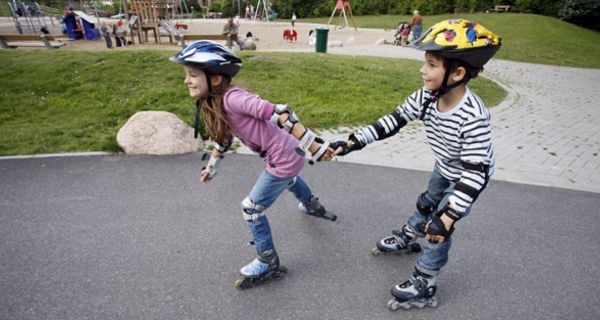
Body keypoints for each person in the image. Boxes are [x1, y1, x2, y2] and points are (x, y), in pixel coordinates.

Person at [330, 19, 501, 310]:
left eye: (432, 64)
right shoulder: (427, 97)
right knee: (426, 202)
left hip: (469, 178)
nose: (423, 70)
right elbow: (393, 121)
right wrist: (353, 141)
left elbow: (475, 172)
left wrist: (448, 217)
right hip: (445, 166)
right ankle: (410, 234)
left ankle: (426, 280)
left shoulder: (473, 116)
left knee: (438, 225)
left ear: (457, 72)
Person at [169, 41, 337, 289]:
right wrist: (212, 165)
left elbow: (283, 113)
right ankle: (312, 205)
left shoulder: (234, 98)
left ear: (215, 79)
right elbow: (224, 139)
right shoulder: (215, 103)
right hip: (283, 153)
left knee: (251, 208)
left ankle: (268, 261)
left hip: (284, 155)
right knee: (287, 180)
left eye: (193, 75)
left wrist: (314, 146)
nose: (187, 80)